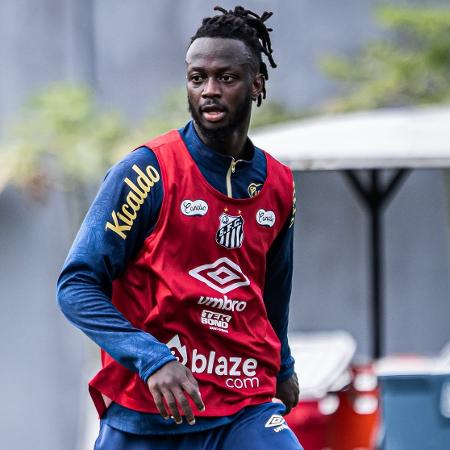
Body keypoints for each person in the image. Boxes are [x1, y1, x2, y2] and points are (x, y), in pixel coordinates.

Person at [57, 5, 303, 450]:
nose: (209, 90)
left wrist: (282, 367)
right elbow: (76, 285)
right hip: (149, 412)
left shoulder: (280, 185)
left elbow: (273, 290)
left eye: (226, 78)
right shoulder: (147, 172)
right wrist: (152, 359)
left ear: (256, 84)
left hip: (240, 403)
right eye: (197, 78)